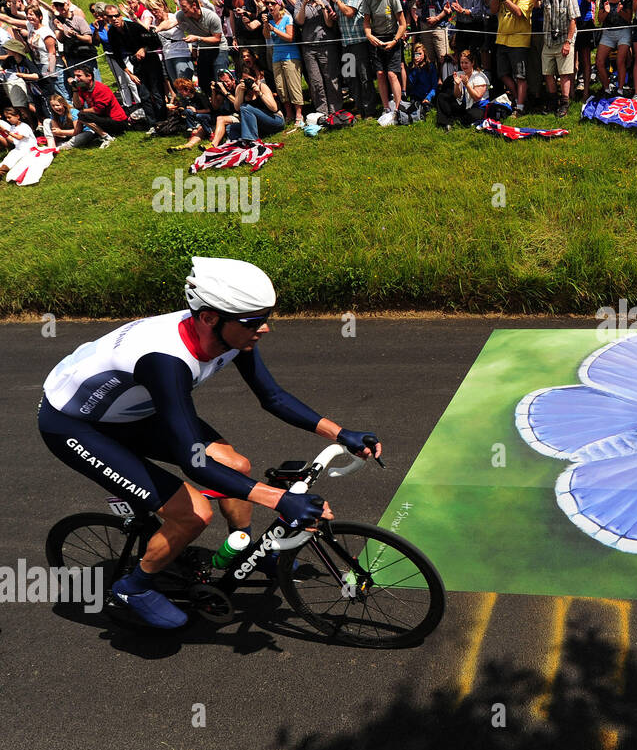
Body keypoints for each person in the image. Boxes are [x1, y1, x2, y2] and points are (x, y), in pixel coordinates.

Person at [38, 257, 381, 629]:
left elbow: (272, 397)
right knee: (194, 513)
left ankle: (245, 550)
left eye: (266, 317)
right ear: (209, 318)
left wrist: (341, 433)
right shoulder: (165, 360)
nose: (264, 329)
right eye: (254, 322)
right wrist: (282, 500)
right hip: (76, 425)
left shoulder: (231, 333)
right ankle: (134, 587)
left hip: (133, 411)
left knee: (236, 466)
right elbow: (194, 461)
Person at [361, 0, 407, 124]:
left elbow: (402, 24)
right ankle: (386, 107)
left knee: (392, 74)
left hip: (393, 38)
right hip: (376, 39)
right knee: (380, 74)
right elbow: (366, 23)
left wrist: (395, 40)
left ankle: (398, 108)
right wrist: (369, 35)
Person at [488, 0, 534, 116]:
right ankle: (517, 97)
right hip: (502, 40)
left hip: (519, 41)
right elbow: (493, 10)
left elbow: (519, 13)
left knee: (520, 75)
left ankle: (520, 106)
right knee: (502, 73)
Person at [293, 0, 343, 117]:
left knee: (331, 77)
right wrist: (303, 4)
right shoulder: (299, 3)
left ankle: (335, 109)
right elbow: (300, 22)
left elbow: (329, 24)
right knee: (316, 81)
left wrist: (323, 6)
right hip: (309, 47)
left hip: (326, 45)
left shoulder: (325, 2)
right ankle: (322, 111)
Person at [262, 0, 304, 131]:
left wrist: (274, 29)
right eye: (267, 3)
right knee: (281, 88)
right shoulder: (270, 20)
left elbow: (290, 37)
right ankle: (289, 114)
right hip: (276, 56)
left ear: (279, 5)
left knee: (293, 86)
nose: (269, 6)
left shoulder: (287, 18)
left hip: (290, 56)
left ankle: (299, 115)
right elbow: (267, 37)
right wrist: (266, 25)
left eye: (272, 3)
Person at [595, 0, 633, 96]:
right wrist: (606, 11)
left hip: (623, 30)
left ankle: (620, 90)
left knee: (620, 60)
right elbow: (600, 20)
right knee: (599, 61)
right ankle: (607, 88)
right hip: (608, 31)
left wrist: (620, 11)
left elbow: (628, 18)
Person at [69, 66, 128, 146]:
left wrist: (82, 111)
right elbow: (78, 106)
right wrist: (74, 89)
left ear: (89, 76)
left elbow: (97, 110)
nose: (76, 79)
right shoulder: (82, 88)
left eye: (79, 76)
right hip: (104, 118)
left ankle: (106, 137)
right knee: (82, 115)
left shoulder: (101, 89)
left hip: (118, 122)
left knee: (82, 115)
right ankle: (102, 134)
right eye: (75, 76)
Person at [229, 54, 284, 138]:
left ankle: (251, 140)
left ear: (254, 78)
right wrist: (241, 91)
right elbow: (237, 108)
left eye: (249, 80)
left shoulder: (262, 87)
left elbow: (274, 108)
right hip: (260, 124)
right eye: (244, 80)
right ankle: (236, 144)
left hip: (275, 120)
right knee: (230, 128)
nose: (247, 82)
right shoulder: (240, 88)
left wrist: (259, 93)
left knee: (245, 107)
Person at [436, 48, 489, 128]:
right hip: (465, 104)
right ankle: (445, 123)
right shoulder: (460, 74)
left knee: (472, 115)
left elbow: (477, 97)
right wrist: (457, 84)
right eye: (461, 63)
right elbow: (457, 95)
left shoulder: (479, 76)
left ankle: (456, 119)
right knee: (442, 97)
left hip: (477, 106)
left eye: (466, 63)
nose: (463, 65)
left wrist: (467, 84)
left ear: (472, 63)